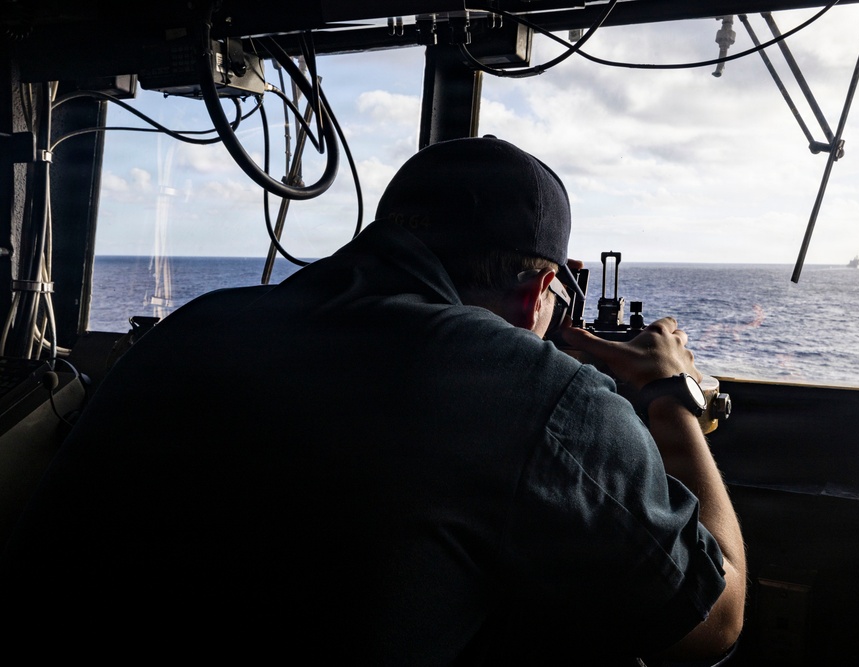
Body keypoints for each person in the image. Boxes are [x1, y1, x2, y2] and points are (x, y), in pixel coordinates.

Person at [0, 136, 744, 664]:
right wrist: (670, 394)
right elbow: (714, 622)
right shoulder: (544, 394)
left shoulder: (194, 327)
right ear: (539, 290)